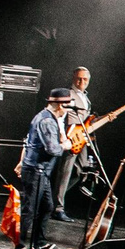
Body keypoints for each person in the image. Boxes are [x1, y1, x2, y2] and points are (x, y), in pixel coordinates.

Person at [13, 86, 72, 249]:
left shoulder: (49, 119)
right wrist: (65, 146)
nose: (67, 112)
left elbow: (29, 142)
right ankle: (19, 245)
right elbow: (52, 149)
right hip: (35, 171)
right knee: (29, 209)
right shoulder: (46, 121)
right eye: (67, 107)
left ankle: (39, 243)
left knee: (47, 206)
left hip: (42, 171)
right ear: (61, 106)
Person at [50, 65, 93, 220]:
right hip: (71, 137)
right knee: (65, 172)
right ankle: (57, 207)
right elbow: (59, 116)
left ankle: (51, 200)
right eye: (79, 78)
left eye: (85, 79)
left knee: (81, 171)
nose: (82, 81)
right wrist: (64, 136)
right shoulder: (68, 94)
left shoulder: (85, 97)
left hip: (82, 138)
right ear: (74, 79)